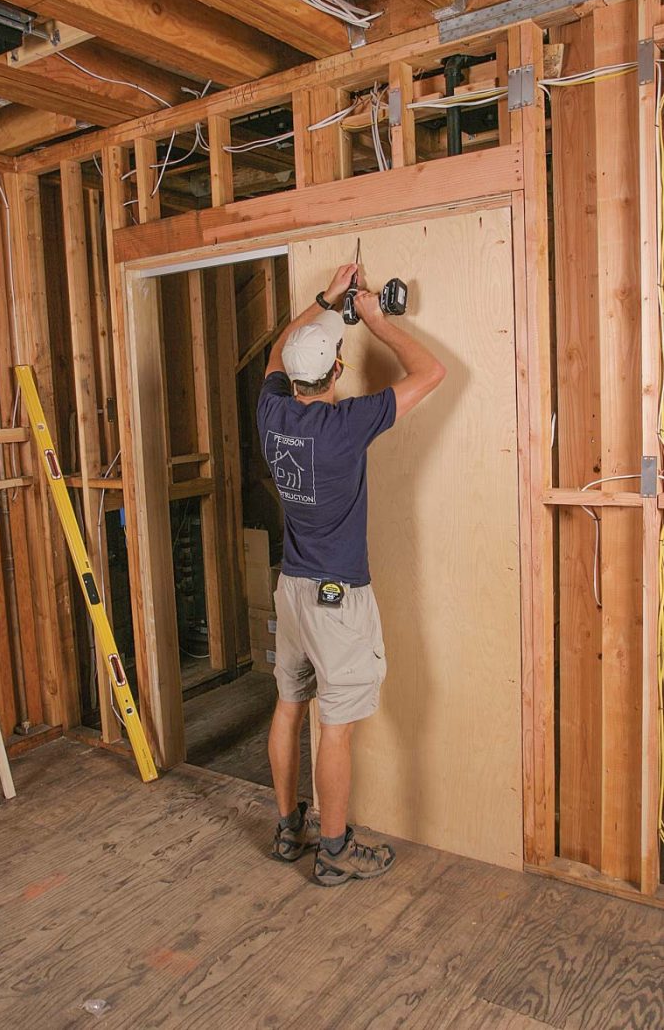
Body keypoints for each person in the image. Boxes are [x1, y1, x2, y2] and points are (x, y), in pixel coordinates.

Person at [256, 263, 446, 886]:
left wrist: (322, 302)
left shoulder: (271, 415)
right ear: (337, 371)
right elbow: (432, 373)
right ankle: (334, 851)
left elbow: (278, 357)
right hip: (339, 600)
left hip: (292, 591)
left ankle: (290, 830)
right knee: (334, 727)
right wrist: (373, 318)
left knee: (289, 706)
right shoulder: (346, 426)